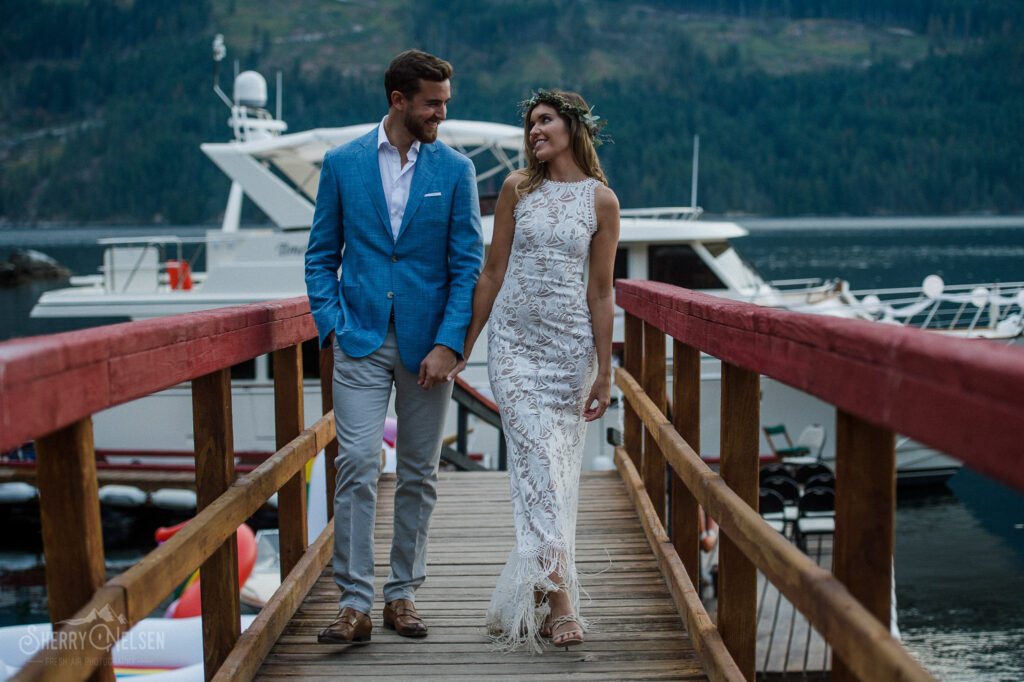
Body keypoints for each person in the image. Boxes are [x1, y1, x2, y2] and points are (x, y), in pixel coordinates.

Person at [305, 49, 483, 644]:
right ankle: (353, 603)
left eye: (446, 103)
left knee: (417, 473)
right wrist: (330, 325)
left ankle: (402, 595)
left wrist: (448, 344)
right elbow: (320, 255)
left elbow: (468, 267)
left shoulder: (456, 171)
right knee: (355, 462)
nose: (442, 113)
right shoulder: (341, 163)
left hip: (427, 348)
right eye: (433, 103)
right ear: (399, 100)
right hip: (357, 339)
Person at [450, 89, 620, 651]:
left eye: (544, 121)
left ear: (573, 127)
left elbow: (601, 291)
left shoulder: (602, 202)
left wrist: (605, 370)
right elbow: (492, 272)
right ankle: (564, 600)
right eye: (529, 124)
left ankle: (543, 594)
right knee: (536, 461)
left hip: (571, 352)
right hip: (515, 350)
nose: (534, 132)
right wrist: (462, 347)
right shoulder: (516, 189)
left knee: (552, 474)